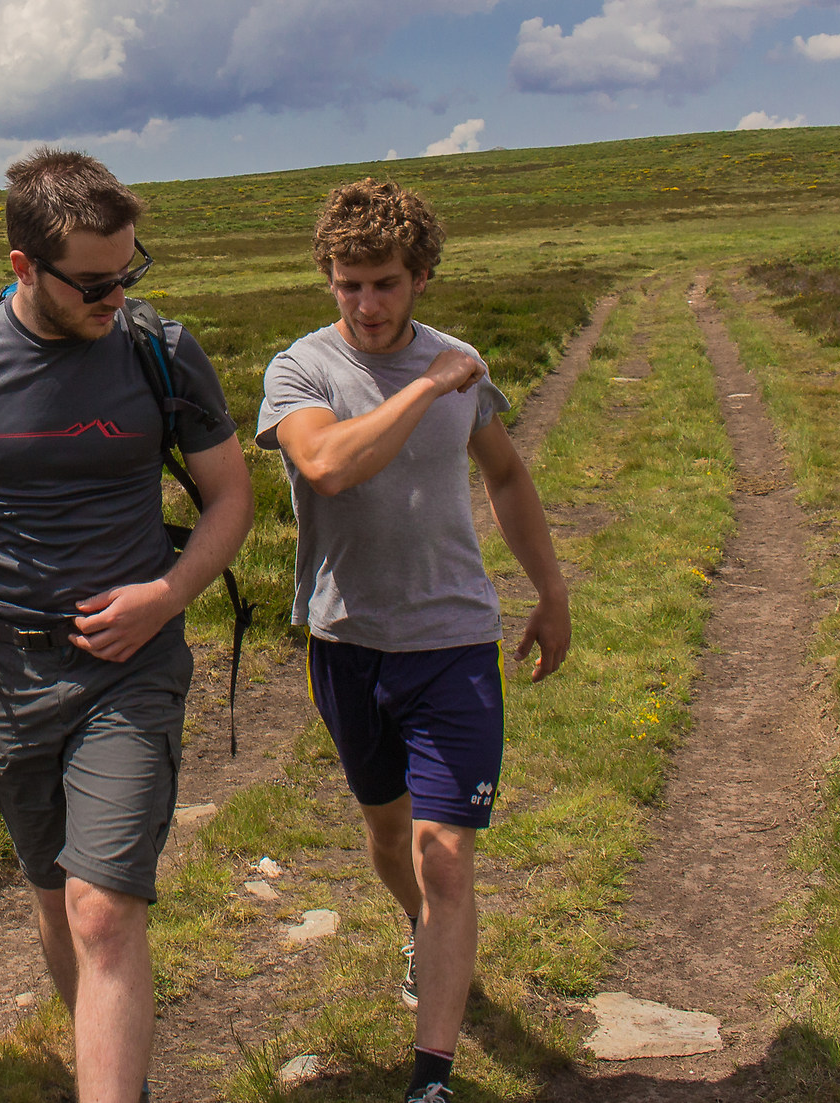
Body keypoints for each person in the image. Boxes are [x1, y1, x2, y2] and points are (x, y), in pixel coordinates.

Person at [0, 148, 256, 1103]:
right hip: (0, 668)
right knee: (55, 896)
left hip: (130, 664)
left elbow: (232, 495)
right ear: (24, 266)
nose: (119, 293)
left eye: (131, 270)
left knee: (104, 910)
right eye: (97, 281)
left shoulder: (161, 349)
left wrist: (167, 594)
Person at [253, 178, 571, 1103]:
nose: (367, 304)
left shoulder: (460, 364)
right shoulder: (301, 370)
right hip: (348, 642)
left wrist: (550, 592)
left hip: (454, 642)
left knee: (444, 849)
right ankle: (425, 933)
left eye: (385, 283)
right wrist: (429, 386)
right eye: (348, 284)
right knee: (390, 838)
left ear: (422, 276)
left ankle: (432, 1076)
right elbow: (326, 465)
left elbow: (506, 475)